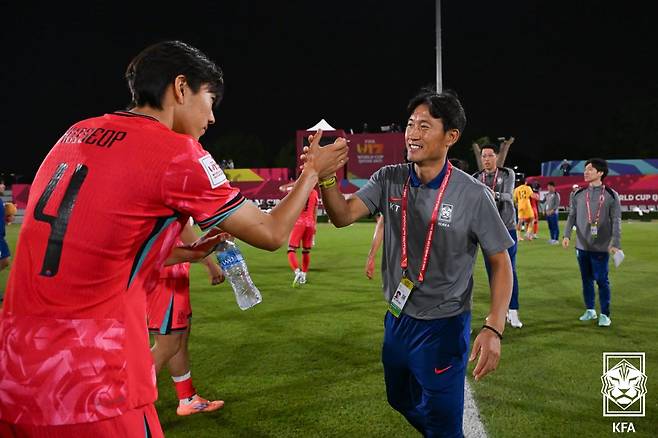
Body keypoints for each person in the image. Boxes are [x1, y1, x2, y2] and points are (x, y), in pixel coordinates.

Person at [0, 40, 347, 437]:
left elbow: (98, 247)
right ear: (181, 88)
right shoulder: (177, 152)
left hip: (15, 366)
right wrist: (312, 173)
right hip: (89, 380)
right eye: (210, 100)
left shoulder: (76, 133)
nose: (212, 117)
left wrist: (187, 252)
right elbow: (270, 233)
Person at [314, 89, 513, 437]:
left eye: (424, 126)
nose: (412, 133)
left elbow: (500, 261)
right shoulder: (389, 178)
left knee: (444, 424)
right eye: (409, 124)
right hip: (397, 317)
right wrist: (327, 177)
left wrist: (494, 326)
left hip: (443, 326)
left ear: (451, 136)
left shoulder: (472, 194)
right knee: (398, 398)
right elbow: (342, 215)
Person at [148, 221, 225, 416]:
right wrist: (210, 264)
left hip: (173, 272)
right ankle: (125, 404)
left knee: (179, 339)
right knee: (167, 344)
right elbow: (182, 228)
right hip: (165, 275)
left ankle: (187, 398)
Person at [562, 158, 621, 327]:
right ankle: (590, 310)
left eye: (590, 169)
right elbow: (571, 216)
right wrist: (566, 235)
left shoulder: (611, 195)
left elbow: (616, 220)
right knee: (586, 279)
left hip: (601, 246)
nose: (586, 172)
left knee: (602, 280)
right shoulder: (578, 194)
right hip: (581, 246)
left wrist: (615, 243)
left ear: (600, 173)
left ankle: (605, 314)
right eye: (585, 169)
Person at [473, 145, 523, 328]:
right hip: (487, 230)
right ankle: (497, 312)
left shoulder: (507, 174)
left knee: (510, 269)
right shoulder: (476, 177)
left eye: (490, 155)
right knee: (492, 272)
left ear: (496, 157)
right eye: (483, 156)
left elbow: (509, 196)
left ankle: (513, 310)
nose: (486, 159)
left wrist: (493, 194)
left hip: (506, 227)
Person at [288, 188, 319, 287]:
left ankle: (297, 272)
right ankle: (304, 275)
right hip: (310, 223)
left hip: (299, 222)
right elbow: (315, 212)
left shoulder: (298, 189)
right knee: (306, 251)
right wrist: (314, 228)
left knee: (291, 249)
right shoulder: (315, 193)